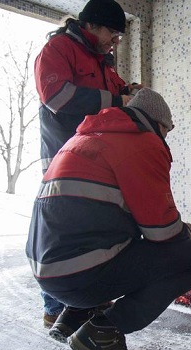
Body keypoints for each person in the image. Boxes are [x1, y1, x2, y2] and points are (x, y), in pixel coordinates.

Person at [25, 88, 191, 350]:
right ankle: (101, 333)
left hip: (49, 274)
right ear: (159, 123)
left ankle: (75, 317)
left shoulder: (81, 139)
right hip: (80, 276)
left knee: (114, 233)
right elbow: (161, 231)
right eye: (167, 130)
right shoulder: (143, 142)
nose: (165, 137)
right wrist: (183, 232)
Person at [34, 0, 143, 328]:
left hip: (98, 160)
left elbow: (110, 95)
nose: (116, 40)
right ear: (92, 25)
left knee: (94, 229)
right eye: (113, 32)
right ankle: (54, 308)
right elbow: (57, 97)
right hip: (63, 158)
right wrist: (116, 99)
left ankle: (88, 299)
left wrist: (127, 90)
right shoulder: (58, 49)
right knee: (61, 232)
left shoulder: (104, 62)